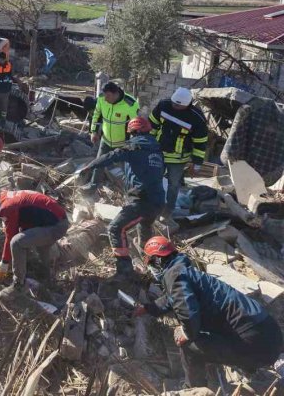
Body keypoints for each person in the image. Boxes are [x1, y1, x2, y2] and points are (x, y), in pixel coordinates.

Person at [136, 236, 283, 387]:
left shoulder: (173, 275)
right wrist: (149, 308)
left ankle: (193, 388)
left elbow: (187, 312)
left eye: (151, 262)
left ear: (158, 261)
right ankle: (247, 366)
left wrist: (186, 332)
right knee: (209, 332)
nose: (151, 268)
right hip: (270, 334)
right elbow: (173, 298)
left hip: (256, 343)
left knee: (189, 345)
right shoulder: (186, 273)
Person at [79, 117, 165, 279]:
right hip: (158, 201)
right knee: (144, 228)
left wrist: (90, 166)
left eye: (130, 134)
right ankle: (153, 267)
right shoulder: (156, 149)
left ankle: (124, 271)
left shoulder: (133, 147)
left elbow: (111, 156)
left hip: (142, 201)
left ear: (134, 132)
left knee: (115, 228)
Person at [0, 190, 69, 299]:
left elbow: (11, 237)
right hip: (54, 221)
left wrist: (4, 263)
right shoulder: (9, 196)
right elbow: (26, 219)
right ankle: (47, 277)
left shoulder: (6, 206)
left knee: (17, 242)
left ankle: (19, 285)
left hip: (56, 226)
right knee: (38, 247)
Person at [149, 87, 208, 211]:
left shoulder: (197, 118)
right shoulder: (163, 105)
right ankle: (152, 208)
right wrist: (148, 145)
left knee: (173, 185)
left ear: (187, 105)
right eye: (174, 103)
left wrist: (196, 163)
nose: (175, 106)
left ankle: (168, 211)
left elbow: (200, 143)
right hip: (158, 153)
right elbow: (152, 126)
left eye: (178, 105)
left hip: (178, 159)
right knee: (153, 181)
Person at [88, 81, 139, 187]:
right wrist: (93, 131)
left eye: (108, 96)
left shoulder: (130, 104)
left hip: (123, 144)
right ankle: (92, 186)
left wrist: (132, 144)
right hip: (105, 140)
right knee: (99, 163)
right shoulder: (102, 98)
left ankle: (130, 192)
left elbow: (136, 125)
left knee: (126, 170)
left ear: (116, 93)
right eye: (105, 95)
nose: (105, 99)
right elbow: (97, 115)